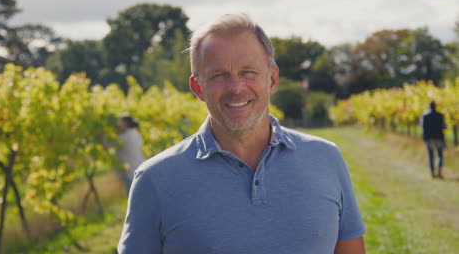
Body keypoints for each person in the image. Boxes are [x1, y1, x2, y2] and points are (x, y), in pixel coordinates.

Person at [118, 14, 366, 254]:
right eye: (218, 75)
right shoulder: (155, 180)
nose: (236, 88)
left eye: (248, 72)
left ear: (272, 78)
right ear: (198, 88)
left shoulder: (326, 158)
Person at [115, 116, 147, 192]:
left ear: (126, 123)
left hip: (130, 170)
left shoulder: (124, 136)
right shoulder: (136, 133)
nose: (118, 124)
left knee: (133, 194)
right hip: (140, 164)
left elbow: (109, 144)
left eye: (120, 121)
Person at [420, 101, 447, 179]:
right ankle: (439, 171)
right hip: (439, 138)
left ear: (429, 106)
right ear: (435, 106)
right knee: (440, 155)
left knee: (431, 156)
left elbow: (422, 126)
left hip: (429, 138)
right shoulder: (440, 115)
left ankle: (432, 173)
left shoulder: (425, 115)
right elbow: (444, 126)